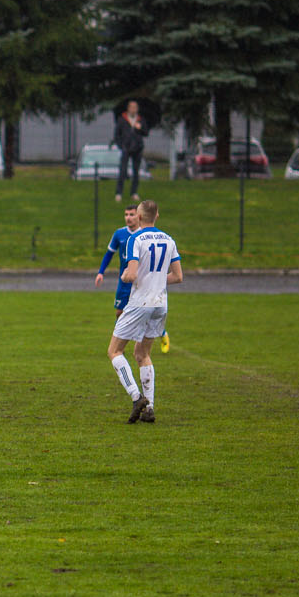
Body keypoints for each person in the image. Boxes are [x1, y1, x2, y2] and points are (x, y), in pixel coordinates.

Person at [107, 199, 181, 423]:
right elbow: (178, 276)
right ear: (157, 215)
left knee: (114, 351)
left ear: (138, 217)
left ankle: (136, 397)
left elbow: (131, 274)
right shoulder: (169, 239)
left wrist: (124, 276)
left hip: (140, 303)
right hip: (160, 304)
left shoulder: (135, 239)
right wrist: (156, 280)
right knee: (142, 354)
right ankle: (149, 409)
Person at [94, 203, 170, 354]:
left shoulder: (144, 236)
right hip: (125, 281)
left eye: (132, 214)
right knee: (119, 312)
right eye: (126, 214)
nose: (128, 218)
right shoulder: (119, 234)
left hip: (142, 282)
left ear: (139, 216)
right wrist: (101, 272)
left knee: (145, 311)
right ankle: (120, 343)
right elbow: (109, 253)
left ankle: (162, 333)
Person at [114, 99, 146, 202]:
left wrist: (140, 128)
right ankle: (119, 193)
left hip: (137, 148)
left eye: (135, 107)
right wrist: (121, 146)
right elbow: (117, 134)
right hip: (126, 148)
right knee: (123, 170)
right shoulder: (122, 119)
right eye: (132, 107)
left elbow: (145, 132)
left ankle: (134, 192)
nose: (133, 109)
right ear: (128, 108)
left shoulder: (140, 120)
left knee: (136, 171)